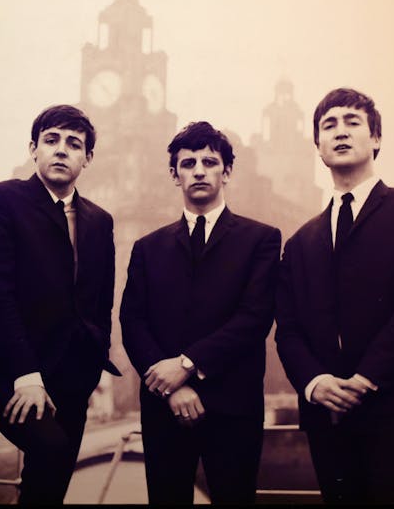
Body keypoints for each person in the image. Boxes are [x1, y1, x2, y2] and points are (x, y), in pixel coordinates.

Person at [274, 87, 394, 504]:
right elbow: (289, 329)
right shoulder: (299, 242)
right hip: (326, 416)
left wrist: (365, 378)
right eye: (328, 125)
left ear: (376, 138)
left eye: (352, 122)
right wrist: (315, 384)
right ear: (317, 147)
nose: (340, 131)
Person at [120, 121, 281, 505]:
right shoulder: (147, 247)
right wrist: (170, 386)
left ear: (227, 172)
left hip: (233, 406)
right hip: (164, 407)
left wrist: (187, 365)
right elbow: (132, 321)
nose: (199, 170)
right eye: (188, 163)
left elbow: (255, 317)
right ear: (175, 175)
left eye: (210, 162)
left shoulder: (261, 238)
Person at [0, 104, 120, 504]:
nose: (61, 150)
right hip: (10, 372)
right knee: (49, 450)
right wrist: (25, 375)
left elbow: (100, 300)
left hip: (72, 376)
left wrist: (94, 359)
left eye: (74, 144)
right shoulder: (0, 200)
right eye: (51, 140)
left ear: (87, 158)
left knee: (50, 487)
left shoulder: (99, 220)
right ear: (33, 149)